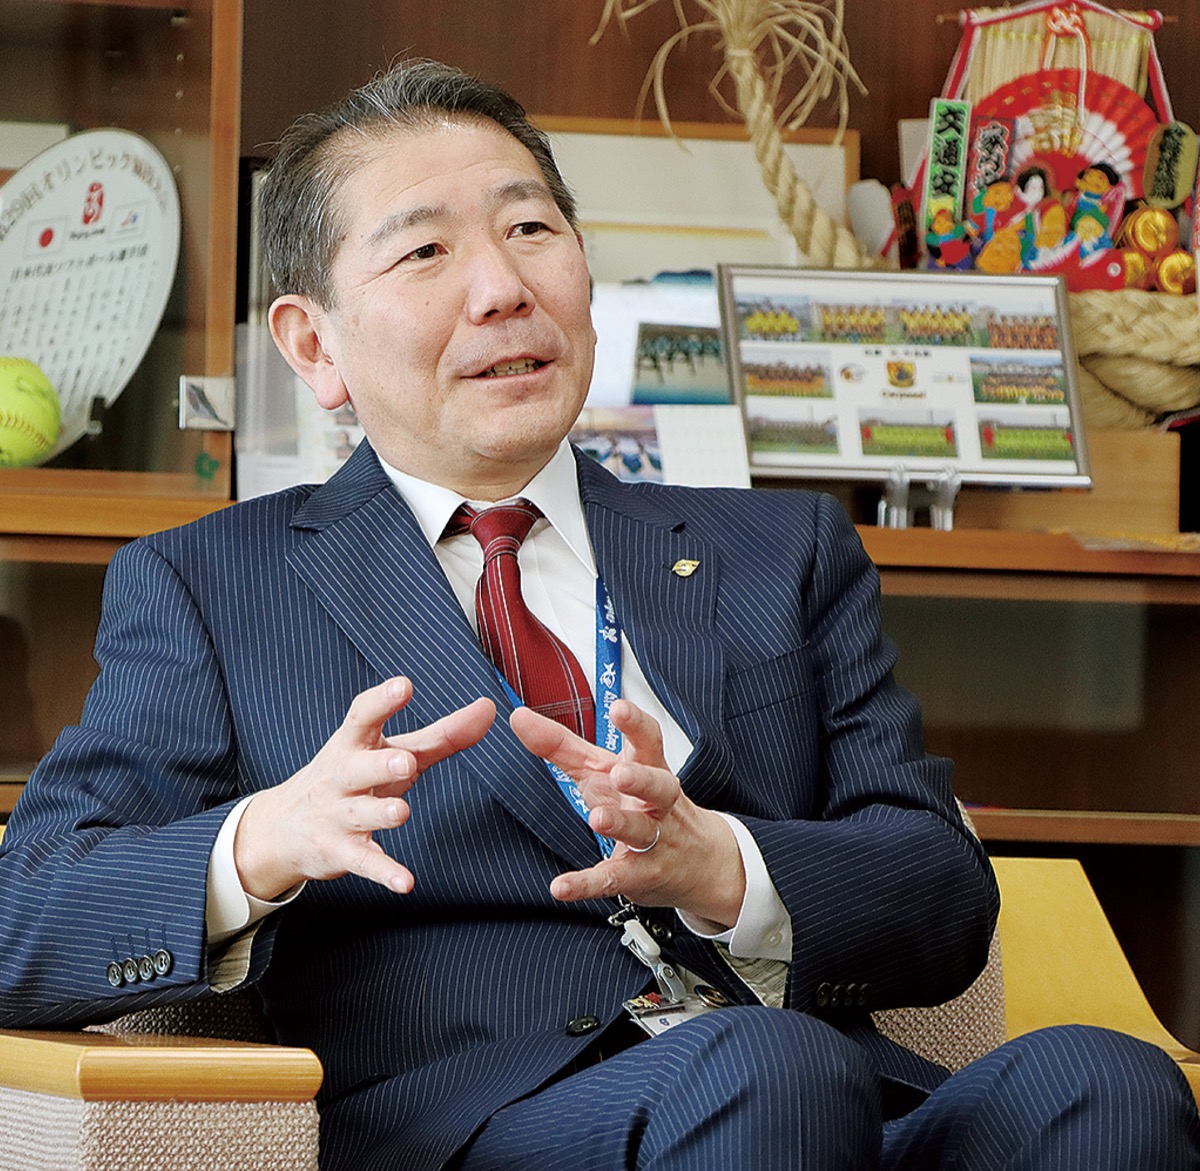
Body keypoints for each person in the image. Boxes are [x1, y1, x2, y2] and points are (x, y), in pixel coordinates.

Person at [0, 59, 1197, 1171]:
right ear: (315, 345)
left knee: (1109, 1085)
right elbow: (24, 916)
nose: (502, 288)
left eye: (531, 230)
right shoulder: (214, 585)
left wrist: (724, 866)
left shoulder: (781, 551)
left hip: (832, 1095)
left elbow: (940, 890)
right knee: (766, 1071)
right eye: (425, 252)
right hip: (483, 1124)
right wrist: (263, 838)